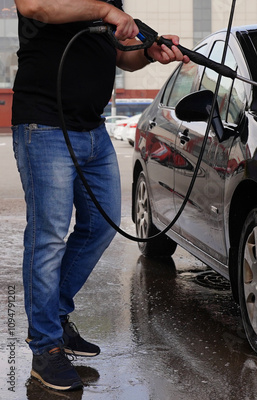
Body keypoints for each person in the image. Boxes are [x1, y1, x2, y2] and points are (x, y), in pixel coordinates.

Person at [11, 0, 189, 392]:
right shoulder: (98, 5)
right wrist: (108, 12)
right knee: (49, 236)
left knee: (101, 225)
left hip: (92, 129)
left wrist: (147, 52)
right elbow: (35, 5)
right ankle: (45, 348)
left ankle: (52, 318)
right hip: (44, 124)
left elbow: (120, 56)